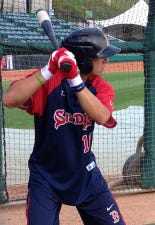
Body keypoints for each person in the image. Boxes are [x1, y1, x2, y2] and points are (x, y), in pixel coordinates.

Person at [2, 28, 126, 225]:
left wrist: (75, 80)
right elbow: (8, 99)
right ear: (84, 60)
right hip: (46, 178)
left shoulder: (101, 87)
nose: (106, 61)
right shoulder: (49, 82)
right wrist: (47, 70)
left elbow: (102, 116)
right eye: (100, 57)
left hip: (85, 175)